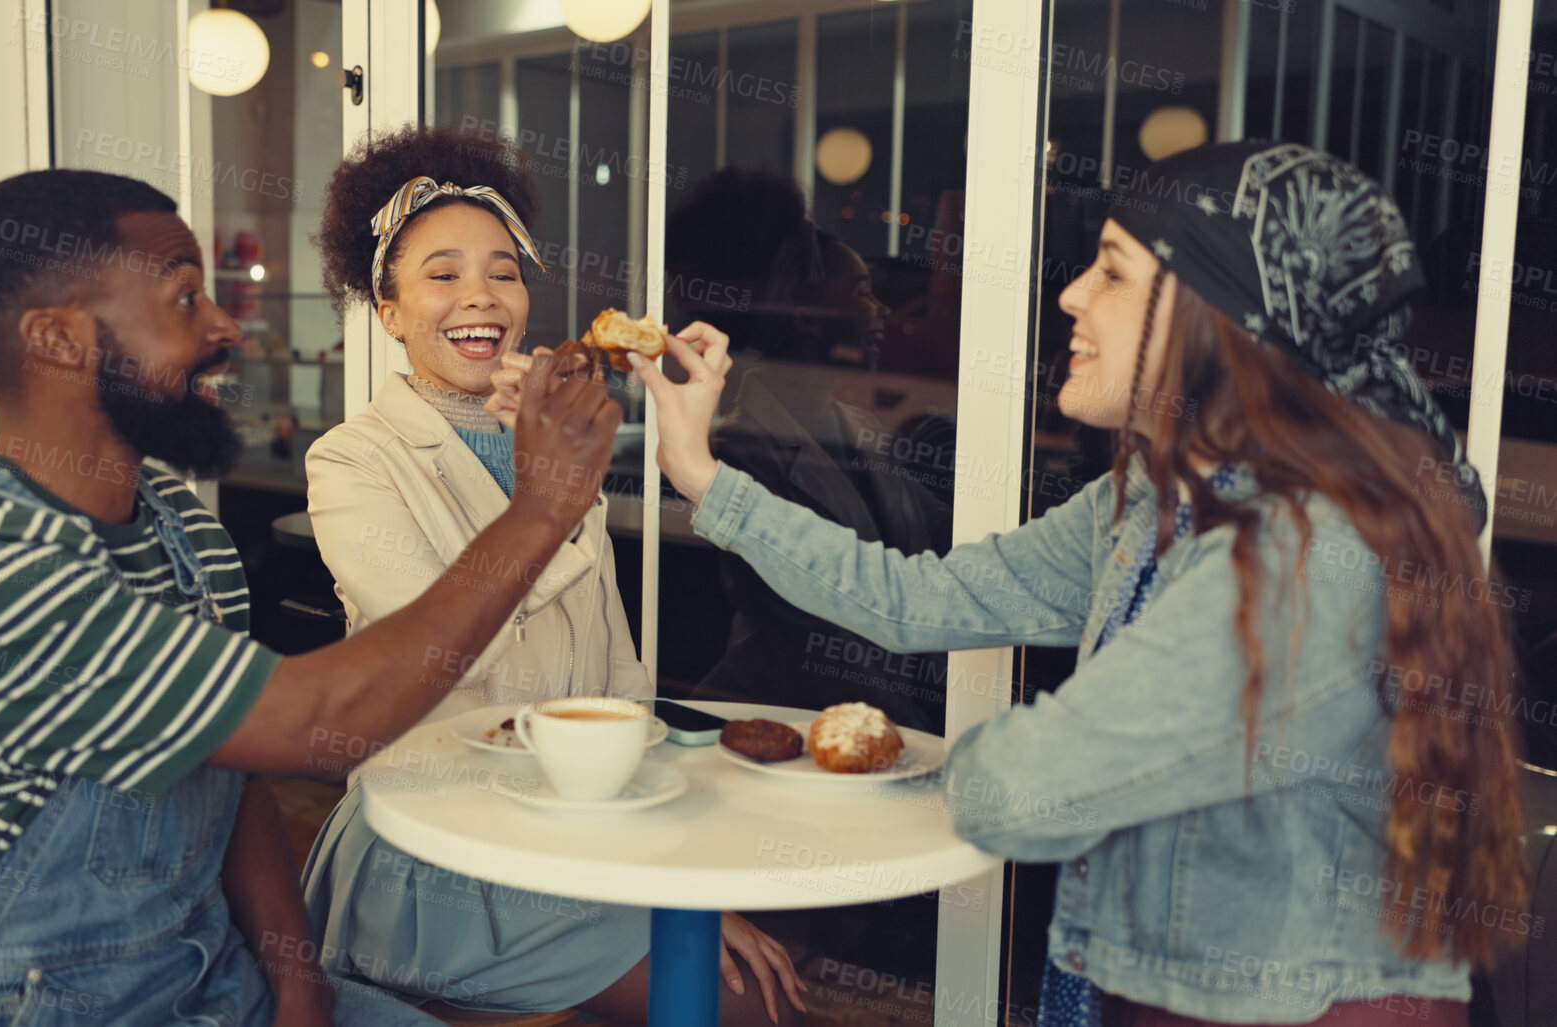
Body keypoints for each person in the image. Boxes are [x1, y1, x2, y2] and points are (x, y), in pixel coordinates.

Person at [630, 142, 1531, 1024]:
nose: (1068, 293)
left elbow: (1024, 789)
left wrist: (912, 762)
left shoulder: (1301, 550)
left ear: (1219, 316)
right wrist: (702, 473)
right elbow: (917, 599)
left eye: (1109, 271)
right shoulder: (1152, 493)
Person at [0, 168, 622, 1026]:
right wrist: (542, 507)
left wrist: (297, 984)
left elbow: (237, 771)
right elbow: (310, 721)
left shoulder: (177, 526)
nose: (225, 326)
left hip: (213, 979)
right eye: (183, 302)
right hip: (30, 1002)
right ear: (59, 340)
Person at [294, 123, 806, 1027]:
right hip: (438, 852)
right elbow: (444, 639)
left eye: (502, 271)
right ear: (387, 309)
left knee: (759, 1004)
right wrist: (549, 488)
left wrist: (681, 884)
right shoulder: (352, 460)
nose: (479, 296)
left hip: (580, 826)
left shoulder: (559, 437)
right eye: (440, 274)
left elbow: (616, 674)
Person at [661, 169, 952, 733]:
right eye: (864, 292)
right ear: (806, 314)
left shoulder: (861, 428)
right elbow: (807, 632)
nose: (883, 312)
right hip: (785, 723)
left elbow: (937, 536)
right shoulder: (739, 452)